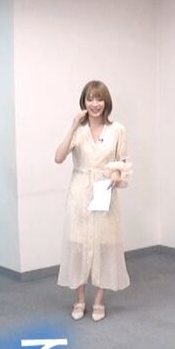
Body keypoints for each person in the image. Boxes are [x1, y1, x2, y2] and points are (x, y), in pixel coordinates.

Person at [53, 80, 131, 322]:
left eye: (99, 99)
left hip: (104, 190)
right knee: (78, 245)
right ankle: (79, 299)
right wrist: (73, 125)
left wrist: (116, 174)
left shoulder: (117, 129)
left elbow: (122, 161)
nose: (95, 104)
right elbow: (58, 157)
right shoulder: (78, 130)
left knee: (104, 245)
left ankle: (99, 300)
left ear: (106, 102)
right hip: (79, 191)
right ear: (83, 102)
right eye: (90, 99)